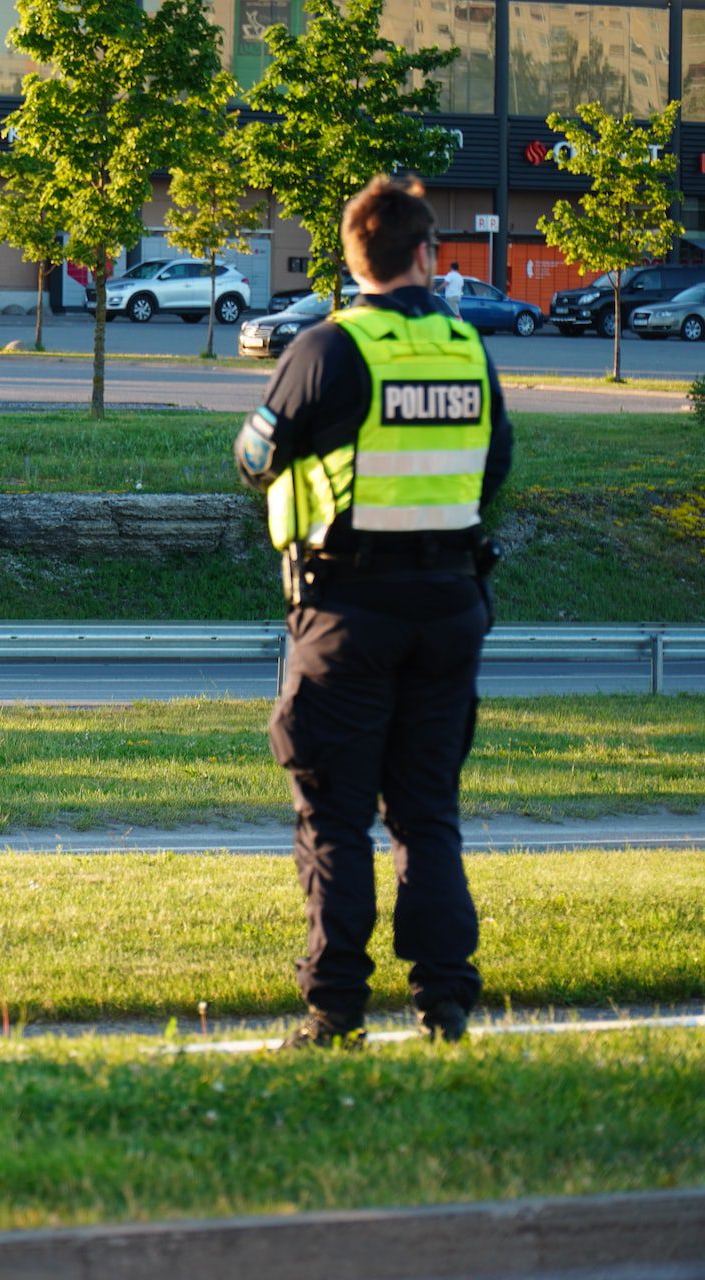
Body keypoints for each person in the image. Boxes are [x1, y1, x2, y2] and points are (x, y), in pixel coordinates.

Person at [232, 176, 513, 1049]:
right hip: (450, 604)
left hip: (346, 608)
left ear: (353, 258)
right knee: (427, 814)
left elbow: (253, 457)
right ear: (429, 256)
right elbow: (494, 467)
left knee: (335, 815)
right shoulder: (470, 348)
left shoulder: (327, 347)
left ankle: (336, 1010)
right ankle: (445, 1003)